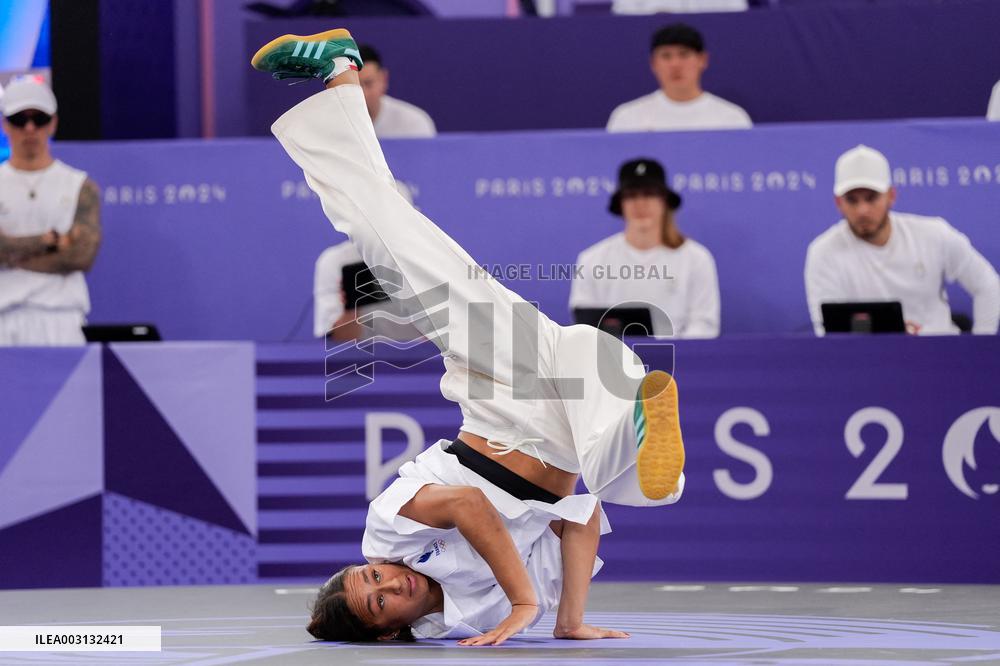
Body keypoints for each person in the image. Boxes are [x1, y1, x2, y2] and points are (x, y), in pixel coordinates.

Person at [251, 28, 687, 645]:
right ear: (387, 634)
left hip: (499, 381)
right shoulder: (465, 617)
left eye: (369, 577)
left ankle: (341, 72)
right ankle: (653, 454)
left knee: (386, 230)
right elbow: (577, 519)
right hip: (572, 406)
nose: (386, 583)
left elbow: (469, 506)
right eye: (379, 603)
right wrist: (567, 621)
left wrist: (524, 603)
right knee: (622, 479)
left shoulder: (388, 531)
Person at [805, 144, 1000, 336]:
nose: (862, 210)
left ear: (891, 196)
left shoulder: (934, 234)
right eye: (852, 200)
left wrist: (981, 347)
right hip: (870, 363)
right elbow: (828, 331)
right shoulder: (823, 253)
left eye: (871, 198)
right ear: (838, 203)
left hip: (941, 358)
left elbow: (988, 285)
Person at [0, 76, 101, 346]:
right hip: (4, 319)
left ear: (53, 123)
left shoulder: (79, 185)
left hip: (62, 320)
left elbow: (81, 257)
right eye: (20, 120)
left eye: (39, 119)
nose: (30, 129)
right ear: (5, 125)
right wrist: (50, 242)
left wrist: (10, 253)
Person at [570, 158, 720, 338]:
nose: (640, 204)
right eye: (631, 195)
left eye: (649, 194)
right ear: (621, 204)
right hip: (612, 362)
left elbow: (704, 325)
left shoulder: (696, 259)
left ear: (664, 201)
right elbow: (585, 327)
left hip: (678, 363)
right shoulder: (592, 260)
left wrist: (671, 354)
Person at [313, 180, 415, 341]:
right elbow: (340, 339)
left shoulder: (429, 262)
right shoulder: (336, 262)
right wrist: (350, 306)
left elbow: (446, 340)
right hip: (360, 361)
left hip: (424, 361)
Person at [606, 23, 752, 133]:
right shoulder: (628, 118)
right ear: (653, 63)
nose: (675, 64)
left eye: (684, 54)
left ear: (702, 60)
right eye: (666, 56)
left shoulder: (731, 118)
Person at [358, 44, 436, 139]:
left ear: (383, 79)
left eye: (368, 83)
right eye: (354, 86)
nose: (361, 94)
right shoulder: (335, 123)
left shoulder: (414, 124)